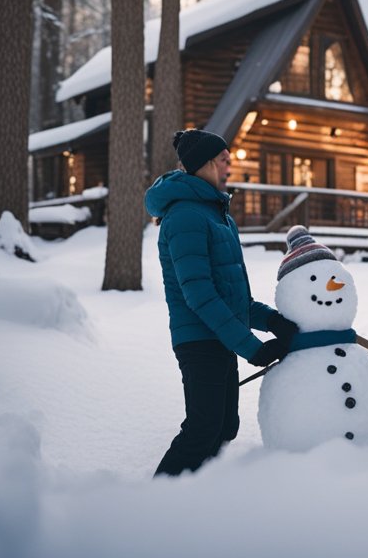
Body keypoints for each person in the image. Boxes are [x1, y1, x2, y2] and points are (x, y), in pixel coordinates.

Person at [145, 128, 298, 476]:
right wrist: (252, 348)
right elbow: (199, 294)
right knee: (202, 430)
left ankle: (197, 499)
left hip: (220, 338)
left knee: (225, 426)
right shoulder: (186, 216)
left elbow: (231, 296)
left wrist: (273, 321)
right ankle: (155, 503)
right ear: (206, 164)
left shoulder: (218, 216)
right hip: (199, 341)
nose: (231, 167)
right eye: (225, 161)